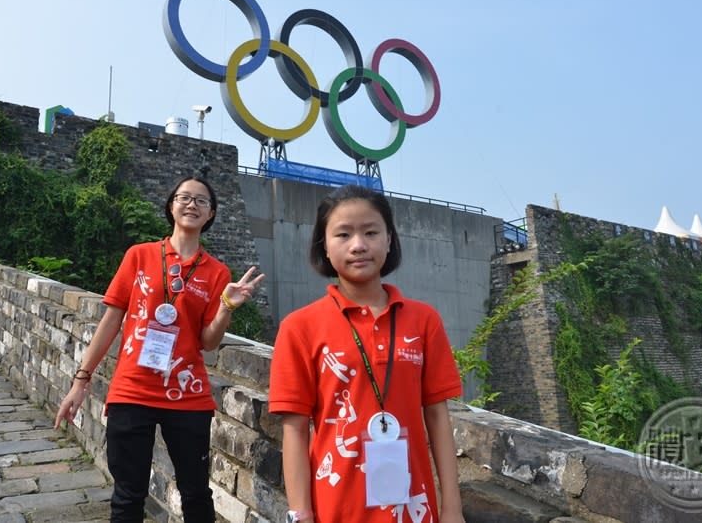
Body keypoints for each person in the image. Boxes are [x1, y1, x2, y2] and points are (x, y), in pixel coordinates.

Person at [55, 175, 265, 522]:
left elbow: (208, 343)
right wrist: (81, 381)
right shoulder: (139, 256)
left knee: (196, 493)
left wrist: (227, 305)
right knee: (128, 495)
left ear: (211, 214)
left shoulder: (216, 272)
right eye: (184, 197)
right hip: (132, 390)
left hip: (187, 395)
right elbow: (110, 322)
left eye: (201, 201)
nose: (192, 205)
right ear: (171, 206)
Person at [268, 185, 465, 523]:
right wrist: (300, 514)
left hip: (412, 507)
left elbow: (437, 417)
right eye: (343, 234)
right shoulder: (299, 327)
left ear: (389, 240)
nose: (358, 245)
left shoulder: (424, 320)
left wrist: (452, 509)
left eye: (371, 232)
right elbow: (296, 431)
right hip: (336, 508)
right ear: (324, 247)